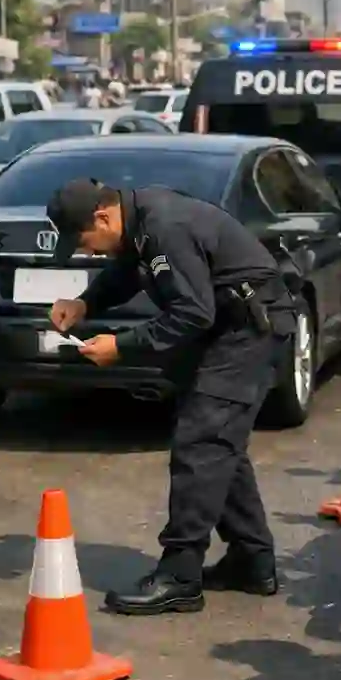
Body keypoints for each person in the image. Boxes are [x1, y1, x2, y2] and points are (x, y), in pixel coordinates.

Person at [46, 179, 294, 615]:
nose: (88, 253)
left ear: (103, 217)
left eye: (83, 242)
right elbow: (128, 270)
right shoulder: (139, 219)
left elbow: (193, 312)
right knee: (219, 445)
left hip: (249, 329)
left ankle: (180, 575)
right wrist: (86, 304)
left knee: (201, 444)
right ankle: (251, 561)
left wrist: (122, 346)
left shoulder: (166, 227)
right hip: (231, 327)